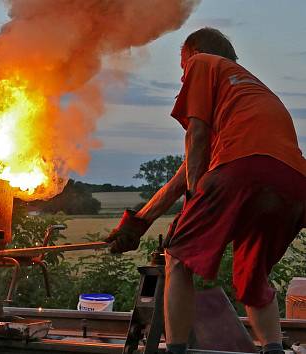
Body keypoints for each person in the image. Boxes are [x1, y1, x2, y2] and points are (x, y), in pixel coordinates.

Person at [105, 27, 306, 354]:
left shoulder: (203, 64)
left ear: (193, 54)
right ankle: (273, 350)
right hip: (295, 182)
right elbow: (186, 172)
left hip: (244, 168)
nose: (183, 77)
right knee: (253, 277)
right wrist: (140, 220)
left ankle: (177, 350)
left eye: (181, 66)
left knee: (178, 256)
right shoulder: (249, 93)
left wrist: (196, 198)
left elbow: (196, 137)